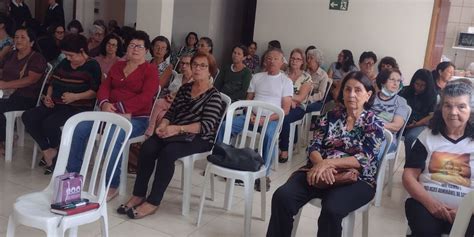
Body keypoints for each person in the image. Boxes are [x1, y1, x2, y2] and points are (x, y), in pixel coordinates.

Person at [267, 71, 385, 237]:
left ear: (368, 94)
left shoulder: (374, 123)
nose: (351, 94)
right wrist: (321, 164)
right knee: (282, 197)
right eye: (347, 89)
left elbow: (364, 158)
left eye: (358, 90)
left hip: (357, 179)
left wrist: (327, 164)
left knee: (332, 209)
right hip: (318, 171)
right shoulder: (330, 116)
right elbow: (313, 146)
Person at [117, 52, 223, 219]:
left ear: (210, 71)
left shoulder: (214, 96)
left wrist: (177, 129)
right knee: (148, 147)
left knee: (168, 153)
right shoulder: (185, 88)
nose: (197, 68)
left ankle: (153, 201)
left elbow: (206, 126)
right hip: (175, 131)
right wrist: (165, 124)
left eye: (203, 66)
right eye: (195, 64)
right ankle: (139, 194)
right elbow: (171, 111)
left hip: (199, 138)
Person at [66, 30, 159, 201]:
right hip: (109, 114)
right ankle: (72, 176)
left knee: (112, 136)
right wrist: (104, 103)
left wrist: (119, 107)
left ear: (146, 50)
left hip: (137, 119)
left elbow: (146, 97)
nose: (135, 49)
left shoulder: (150, 70)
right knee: (79, 128)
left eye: (139, 46)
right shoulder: (118, 66)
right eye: (132, 45)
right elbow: (104, 88)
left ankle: (112, 184)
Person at [403, 79, 474, 236]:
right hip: (425, 205)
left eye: (461, 106)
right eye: (448, 105)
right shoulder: (427, 136)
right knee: (425, 231)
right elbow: (408, 176)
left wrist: (464, 211)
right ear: (441, 108)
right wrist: (431, 203)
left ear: (471, 110)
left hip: (469, 210)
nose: (453, 112)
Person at [22, 33, 101, 175]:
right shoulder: (64, 63)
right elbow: (53, 82)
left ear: (82, 51)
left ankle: (57, 153)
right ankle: (49, 150)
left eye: (71, 55)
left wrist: (75, 97)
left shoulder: (92, 66)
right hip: (56, 103)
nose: (68, 58)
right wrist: (49, 97)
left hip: (77, 107)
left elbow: (95, 92)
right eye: (66, 55)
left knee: (49, 123)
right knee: (28, 116)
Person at [218, 48, 293, 191]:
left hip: (271, 119)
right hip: (251, 116)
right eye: (269, 58)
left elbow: (286, 109)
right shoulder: (257, 77)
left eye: (276, 58)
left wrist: (265, 120)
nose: (272, 61)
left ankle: (264, 174)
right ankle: (222, 160)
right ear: (265, 61)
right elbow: (248, 100)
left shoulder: (286, 81)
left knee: (269, 135)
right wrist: (251, 113)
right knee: (224, 125)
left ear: (282, 62)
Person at [0, 27, 46, 154]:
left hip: (26, 96)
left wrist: (6, 85)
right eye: (16, 37)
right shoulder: (11, 54)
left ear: (31, 42)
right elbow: (3, 71)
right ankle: (4, 138)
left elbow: (31, 80)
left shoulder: (36, 58)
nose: (18, 40)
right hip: (7, 93)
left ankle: (4, 140)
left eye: (22, 37)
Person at [144, 54, 194, 137]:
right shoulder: (179, 76)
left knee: (159, 104)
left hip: (182, 106)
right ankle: (154, 135)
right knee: (161, 113)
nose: (184, 66)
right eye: (182, 63)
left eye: (187, 64)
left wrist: (175, 98)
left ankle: (149, 132)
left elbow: (190, 99)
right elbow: (171, 90)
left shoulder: (195, 80)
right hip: (170, 104)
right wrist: (170, 95)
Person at [278, 48, 312, 163]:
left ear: (302, 61)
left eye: (298, 59)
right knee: (274, 114)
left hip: (299, 107)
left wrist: (288, 98)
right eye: (292, 58)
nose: (294, 61)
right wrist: (289, 100)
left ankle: (284, 150)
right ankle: (271, 143)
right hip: (282, 103)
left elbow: (301, 97)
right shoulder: (283, 74)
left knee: (285, 117)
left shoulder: (306, 77)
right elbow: (276, 91)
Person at [399, 69, 437, 159]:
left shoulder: (432, 95)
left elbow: (431, 115)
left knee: (410, 138)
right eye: (417, 84)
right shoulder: (405, 90)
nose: (419, 87)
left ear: (428, 85)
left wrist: (416, 124)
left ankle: (409, 162)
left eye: (423, 85)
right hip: (402, 121)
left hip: (420, 123)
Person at [372, 68, 409, 152]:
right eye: (392, 79)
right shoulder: (371, 97)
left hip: (386, 138)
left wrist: (374, 124)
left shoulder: (400, 102)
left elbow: (396, 126)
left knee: (371, 152)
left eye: (398, 81)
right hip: (366, 133)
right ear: (382, 81)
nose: (396, 84)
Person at [305, 48, 330, 113]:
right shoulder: (305, 71)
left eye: (311, 58)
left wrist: (309, 98)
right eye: (308, 58)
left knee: (303, 107)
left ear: (317, 61)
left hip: (315, 101)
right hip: (303, 96)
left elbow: (321, 94)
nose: (308, 60)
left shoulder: (323, 75)